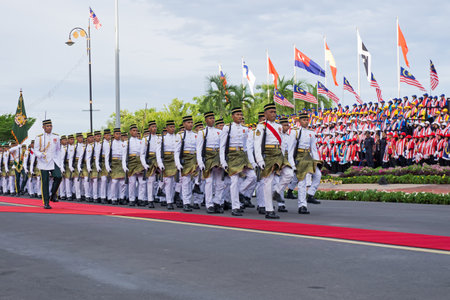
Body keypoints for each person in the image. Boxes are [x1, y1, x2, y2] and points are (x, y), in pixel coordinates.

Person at [254, 103, 293, 219]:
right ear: (265, 114)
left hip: (278, 154)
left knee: (289, 174)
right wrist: (259, 159)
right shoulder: (261, 126)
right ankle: (269, 210)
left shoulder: (278, 127)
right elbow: (257, 144)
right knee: (268, 182)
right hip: (268, 154)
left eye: (274, 112)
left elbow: (282, 143)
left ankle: (276, 192)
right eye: (271, 112)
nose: (273, 114)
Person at [219, 107, 256, 216]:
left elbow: (247, 146)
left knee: (253, 176)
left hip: (243, 155)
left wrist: (251, 161)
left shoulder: (245, 129)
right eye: (238, 115)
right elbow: (222, 146)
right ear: (232, 116)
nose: (240, 116)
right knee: (234, 181)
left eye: (241, 114)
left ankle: (240, 192)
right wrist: (223, 161)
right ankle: (235, 207)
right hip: (232, 156)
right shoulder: (227, 128)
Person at [288, 112, 321, 215]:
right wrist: (292, 164)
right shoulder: (295, 132)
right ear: (299, 121)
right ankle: (302, 205)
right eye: (303, 120)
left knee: (318, 175)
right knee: (302, 181)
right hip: (299, 156)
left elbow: (314, 149)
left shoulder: (311, 132)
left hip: (308, 156)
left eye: (307, 120)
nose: (306, 122)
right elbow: (290, 149)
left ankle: (310, 194)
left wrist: (317, 161)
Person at [196, 112, 225, 214]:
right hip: (207, 156)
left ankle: (217, 201)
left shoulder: (219, 132)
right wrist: (200, 162)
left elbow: (222, 147)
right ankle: (209, 204)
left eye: (213, 118)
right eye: (210, 118)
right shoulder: (202, 132)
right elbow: (199, 149)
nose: (212, 120)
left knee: (220, 182)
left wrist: (223, 160)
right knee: (209, 182)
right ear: (206, 120)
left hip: (217, 155)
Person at [33, 119, 62, 209]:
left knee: (58, 176)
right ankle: (46, 202)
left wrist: (59, 161)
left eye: (50, 126)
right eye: (47, 126)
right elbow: (35, 150)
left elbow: (58, 149)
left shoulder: (56, 137)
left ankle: (53, 194)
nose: (49, 128)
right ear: (43, 127)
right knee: (45, 182)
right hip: (43, 162)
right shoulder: (39, 138)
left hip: (53, 160)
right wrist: (41, 155)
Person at [140, 120, 160, 208]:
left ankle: (166, 198)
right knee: (151, 181)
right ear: (149, 128)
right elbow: (142, 154)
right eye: (153, 127)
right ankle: (150, 200)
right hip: (150, 160)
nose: (154, 128)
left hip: (159, 159)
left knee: (166, 179)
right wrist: (144, 164)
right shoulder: (145, 139)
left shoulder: (160, 138)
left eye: (155, 127)